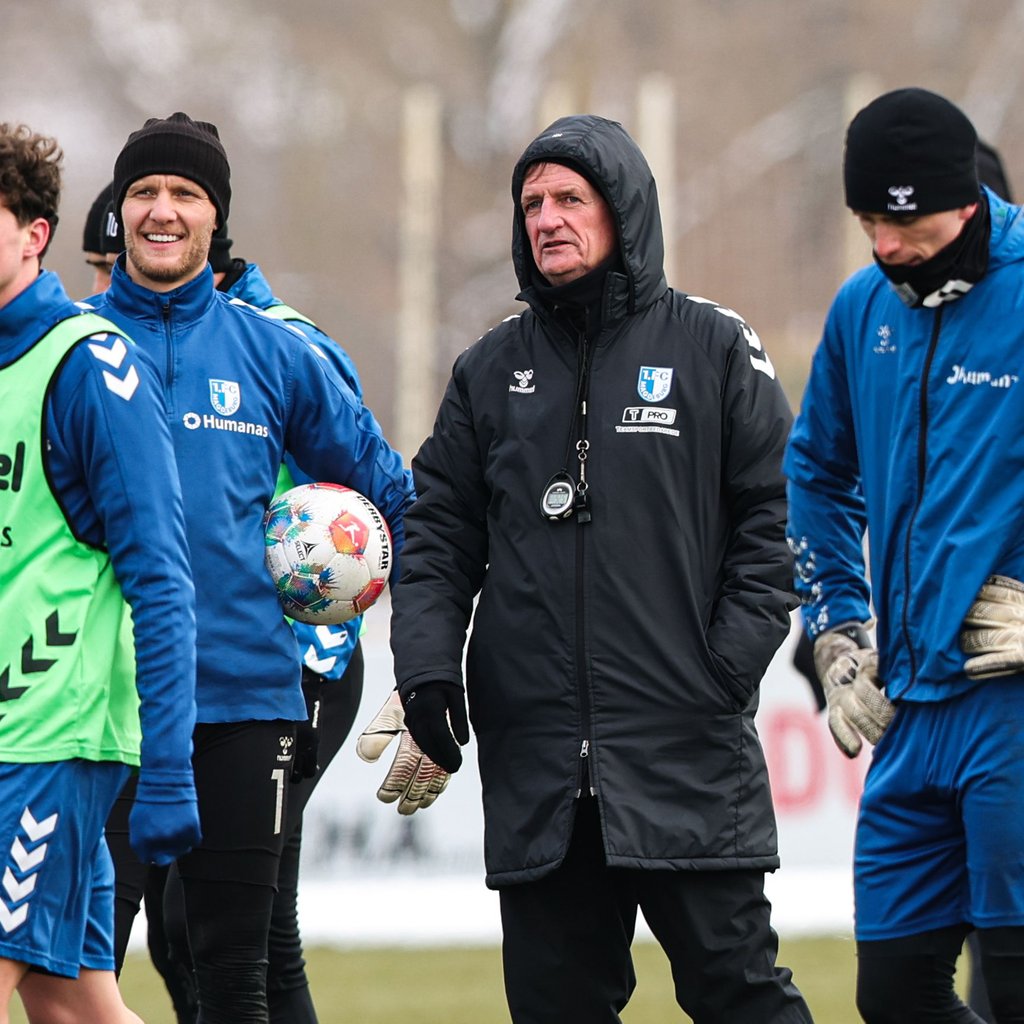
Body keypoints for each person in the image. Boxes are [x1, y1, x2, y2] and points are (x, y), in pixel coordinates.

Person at [384, 113, 812, 1023]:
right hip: (540, 771)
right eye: (531, 202)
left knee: (741, 996)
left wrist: (721, 670)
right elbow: (436, 534)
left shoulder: (713, 348)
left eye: (570, 198)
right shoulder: (488, 370)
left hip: (685, 747)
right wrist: (425, 668)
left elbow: (779, 519)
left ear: (623, 210)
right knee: (556, 1009)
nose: (546, 218)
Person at [87, 111, 415, 1024]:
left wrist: (425, 656)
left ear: (214, 219)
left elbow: (395, 494)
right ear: (116, 213)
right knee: (76, 974)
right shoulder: (70, 352)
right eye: (143, 192)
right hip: (97, 717)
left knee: (234, 976)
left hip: (243, 712)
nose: (162, 210)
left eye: (185, 194)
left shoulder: (275, 352)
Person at [785, 87, 1024, 1023]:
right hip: (906, 711)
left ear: (966, 199)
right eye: (866, 221)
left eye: (903, 219)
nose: (884, 244)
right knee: (894, 998)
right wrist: (835, 624)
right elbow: (815, 473)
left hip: (1011, 702)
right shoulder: (860, 310)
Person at [0, 122, 200, 1023]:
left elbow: (160, 575)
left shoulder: (87, 364)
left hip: (47, 742)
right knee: (72, 1001)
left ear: (34, 233)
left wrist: (168, 767)